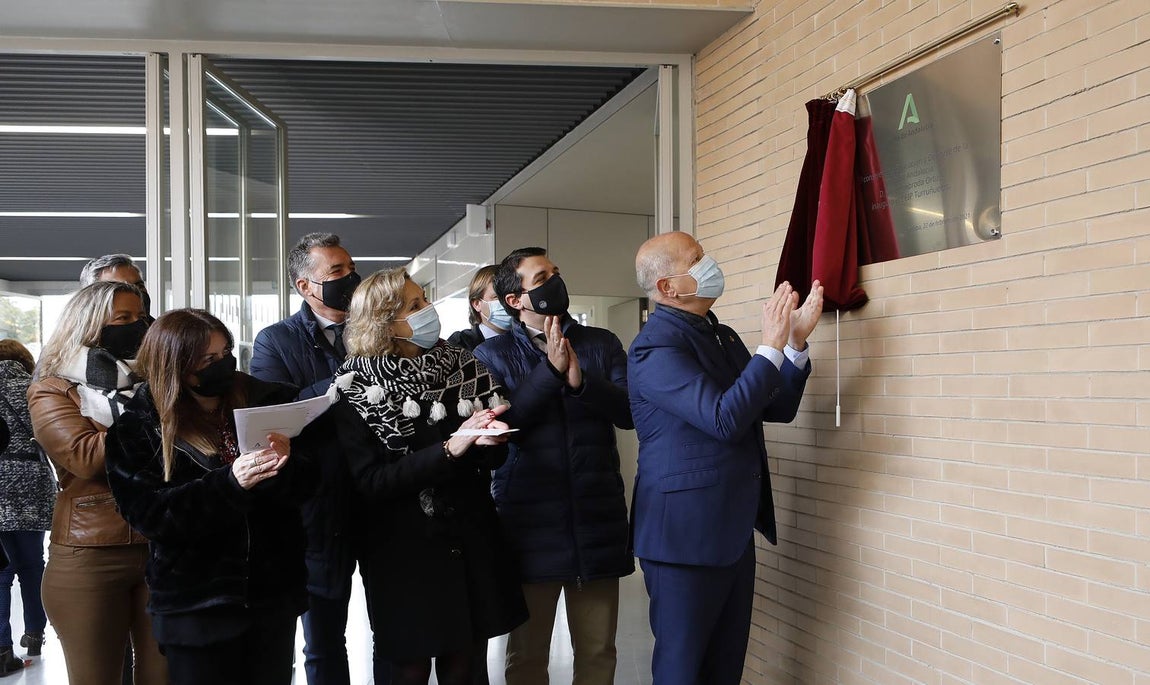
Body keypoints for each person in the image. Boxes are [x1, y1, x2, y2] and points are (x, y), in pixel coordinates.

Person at [627, 231, 824, 685]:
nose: (709, 263)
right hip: (682, 538)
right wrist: (769, 348)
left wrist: (791, 345)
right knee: (682, 669)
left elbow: (774, 407)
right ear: (668, 288)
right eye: (696, 259)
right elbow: (723, 419)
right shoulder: (654, 348)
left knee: (725, 665)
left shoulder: (720, 334)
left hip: (730, 528)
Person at [328, 268, 527, 685]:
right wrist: (450, 448)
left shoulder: (462, 365)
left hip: (469, 536)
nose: (428, 311)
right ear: (384, 321)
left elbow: (491, 458)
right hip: (403, 553)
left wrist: (490, 440)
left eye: (425, 300)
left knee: (467, 667)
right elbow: (372, 482)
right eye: (415, 306)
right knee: (409, 670)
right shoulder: (354, 389)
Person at [104, 309, 319, 685]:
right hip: (196, 603)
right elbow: (153, 515)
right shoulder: (137, 427)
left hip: (270, 594)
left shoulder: (262, 401)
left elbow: (306, 487)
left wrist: (285, 464)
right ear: (177, 366)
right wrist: (228, 484)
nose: (224, 365)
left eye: (226, 353)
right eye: (209, 359)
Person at [473, 247, 633, 685]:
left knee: (598, 652)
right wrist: (550, 370)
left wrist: (581, 382)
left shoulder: (601, 343)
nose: (554, 281)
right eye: (541, 277)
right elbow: (504, 424)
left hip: (597, 520)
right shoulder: (491, 356)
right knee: (526, 658)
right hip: (529, 524)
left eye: (556, 272)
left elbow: (629, 412)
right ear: (514, 301)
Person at [248, 232, 375, 685]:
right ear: (305, 286)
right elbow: (276, 417)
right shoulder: (276, 341)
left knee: (398, 631)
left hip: (382, 496)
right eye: (336, 272)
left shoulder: (378, 330)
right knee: (324, 640)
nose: (350, 278)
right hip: (320, 507)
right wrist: (342, 382)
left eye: (350, 267)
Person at [28, 281, 168, 685]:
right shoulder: (53, 387)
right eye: (122, 319)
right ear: (88, 326)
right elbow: (85, 457)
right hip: (91, 554)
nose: (136, 327)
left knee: (167, 676)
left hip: (162, 544)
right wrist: (156, 416)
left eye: (139, 318)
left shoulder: (153, 381)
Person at [0, 340, 55, 676]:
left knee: (1, 571)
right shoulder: (33, 389)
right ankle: (35, 633)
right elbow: (48, 434)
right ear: (23, 360)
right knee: (33, 564)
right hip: (30, 479)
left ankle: (2, 648)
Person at [447, 265, 511, 352]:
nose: (506, 302)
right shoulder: (460, 344)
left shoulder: (527, 339)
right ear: (477, 304)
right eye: (497, 297)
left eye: (510, 295)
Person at [80, 253, 154, 321]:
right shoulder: (78, 334)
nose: (135, 293)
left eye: (140, 286)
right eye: (121, 288)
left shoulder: (161, 333)